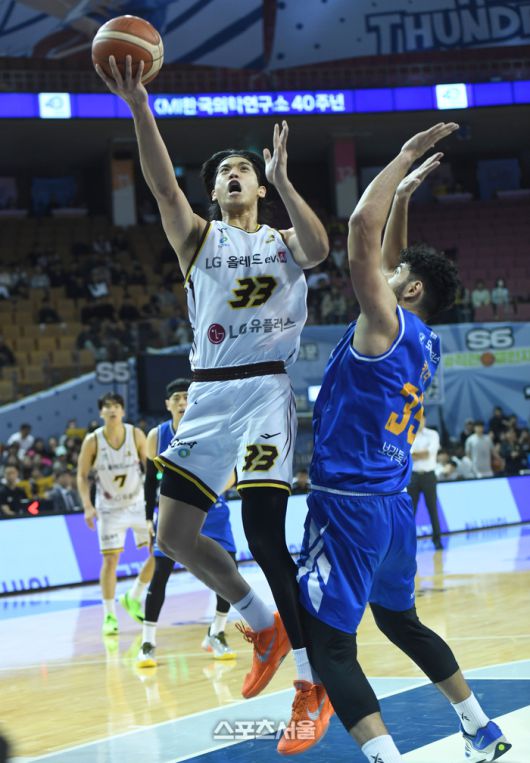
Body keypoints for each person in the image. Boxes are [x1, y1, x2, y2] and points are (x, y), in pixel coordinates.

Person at [96, 55, 331, 752]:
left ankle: (311, 685)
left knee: (263, 535)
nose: (233, 175)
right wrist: (140, 107)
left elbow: (321, 249)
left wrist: (285, 179)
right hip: (207, 395)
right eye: (223, 172)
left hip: (264, 392)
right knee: (172, 536)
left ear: (258, 185)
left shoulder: (284, 240)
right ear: (215, 191)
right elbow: (161, 185)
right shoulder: (199, 237)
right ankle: (264, 625)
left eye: (243, 170)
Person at [297, 123, 511, 763]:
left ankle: (385, 758)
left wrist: (401, 158)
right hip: (393, 508)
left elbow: (361, 231)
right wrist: (407, 199)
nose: (386, 275)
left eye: (399, 276)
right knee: (399, 621)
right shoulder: (424, 339)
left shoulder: (383, 322)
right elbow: (394, 258)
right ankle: (479, 726)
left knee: (329, 644)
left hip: (348, 504)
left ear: (409, 290)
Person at [137, 378, 238, 668]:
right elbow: (150, 481)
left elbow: (232, 475)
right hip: (174, 513)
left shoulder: (212, 429)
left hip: (212, 512)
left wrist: (204, 494)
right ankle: (147, 642)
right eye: (177, 398)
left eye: (186, 397)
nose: (182, 402)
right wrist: (148, 517)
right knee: (161, 574)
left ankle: (216, 632)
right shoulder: (157, 435)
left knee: (228, 572)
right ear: (168, 404)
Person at [77, 393, 155, 636]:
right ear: (101, 412)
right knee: (110, 561)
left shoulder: (136, 434)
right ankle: (109, 615)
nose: (112, 410)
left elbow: (150, 469)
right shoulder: (93, 441)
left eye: (116, 406)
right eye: (108, 407)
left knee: (161, 553)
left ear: (123, 411)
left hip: (138, 504)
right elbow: (82, 475)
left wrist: (155, 498)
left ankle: (134, 596)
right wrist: (87, 505)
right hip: (109, 508)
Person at [408, 417, 443, 550]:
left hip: (429, 476)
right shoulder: (408, 434)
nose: (419, 422)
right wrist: (417, 454)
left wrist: (414, 454)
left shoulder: (432, 434)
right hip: (413, 476)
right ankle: (408, 543)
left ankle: (437, 540)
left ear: (425, 420)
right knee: (411, 511)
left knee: (432, 509)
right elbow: (407, 455)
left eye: (421, 419)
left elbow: (428, 454)